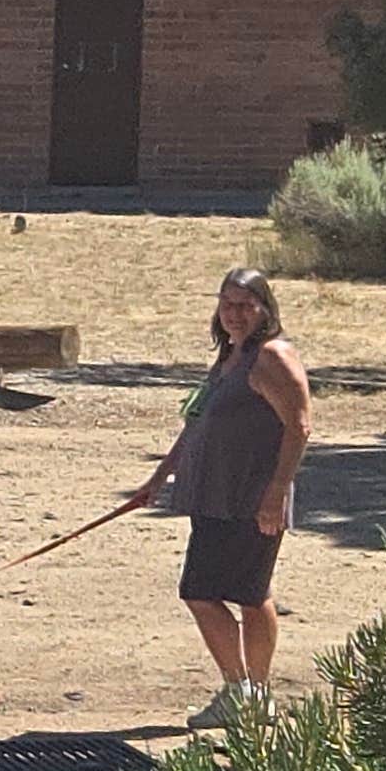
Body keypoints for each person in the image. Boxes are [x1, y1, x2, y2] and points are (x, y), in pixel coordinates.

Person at [127, 266, 311, 729]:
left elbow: (300, 426)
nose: (234, 314)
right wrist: (159, 477)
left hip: (251, 498)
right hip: (215, 495)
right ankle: (253, 694)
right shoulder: (231, 357)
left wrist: (276, 492)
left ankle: (243, 691)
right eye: (226, 304)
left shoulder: (272, 356)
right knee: (248, 592)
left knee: (204, 592)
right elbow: (197, 424)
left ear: (264, 308)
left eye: (245, 305)